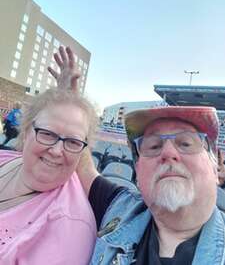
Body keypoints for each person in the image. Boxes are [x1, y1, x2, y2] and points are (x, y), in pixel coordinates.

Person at [51, 46, 225, 265]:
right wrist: (69, 101)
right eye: (153, 146)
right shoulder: (121, 209)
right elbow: (84, 168)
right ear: (138, 170)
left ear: (218, 165)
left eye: (186, 143)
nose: (168, 152)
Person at [0, 86, 97, 264]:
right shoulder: (4, 157)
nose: (57, 151)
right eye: (47, 134)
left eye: (73, 142)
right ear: (27, 130)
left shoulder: (69, 230)